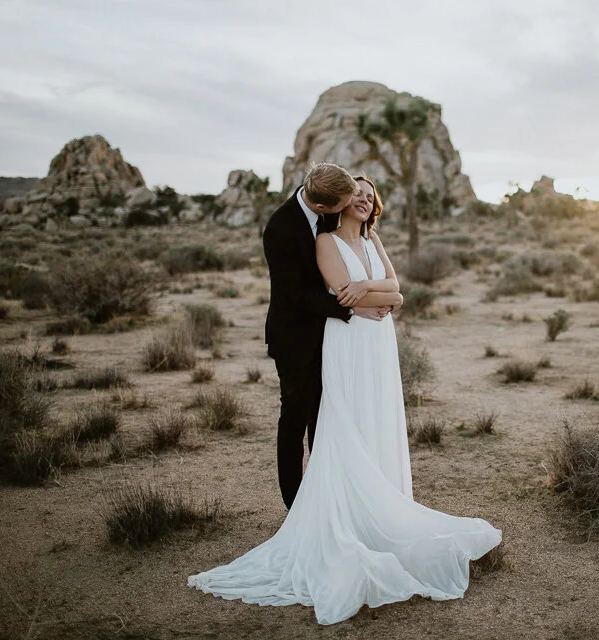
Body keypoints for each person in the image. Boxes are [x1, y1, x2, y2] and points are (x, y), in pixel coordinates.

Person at [188, 176, 502, 625]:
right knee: (309, 417)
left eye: (368, 193)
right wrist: (356, 303)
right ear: (331, 202)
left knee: (363, 417)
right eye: (354, 193)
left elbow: (396, 291)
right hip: (330, 337)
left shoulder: (374, 239)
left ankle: (364, 503)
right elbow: (333, 292)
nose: (362, 197)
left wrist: (369, 298)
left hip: (373, 339)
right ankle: (305, 510)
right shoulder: (314, 235)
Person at [258, 162, 389, 510]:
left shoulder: (330, 203)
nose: (352, 205)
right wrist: (351, 309)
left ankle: (328, 494)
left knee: (327, 416)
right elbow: (295, 295)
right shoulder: (280, 229)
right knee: (295, 417)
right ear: (322, 207)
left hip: (332, 336)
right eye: (344, 203)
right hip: (295, 338)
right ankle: (297, 505)